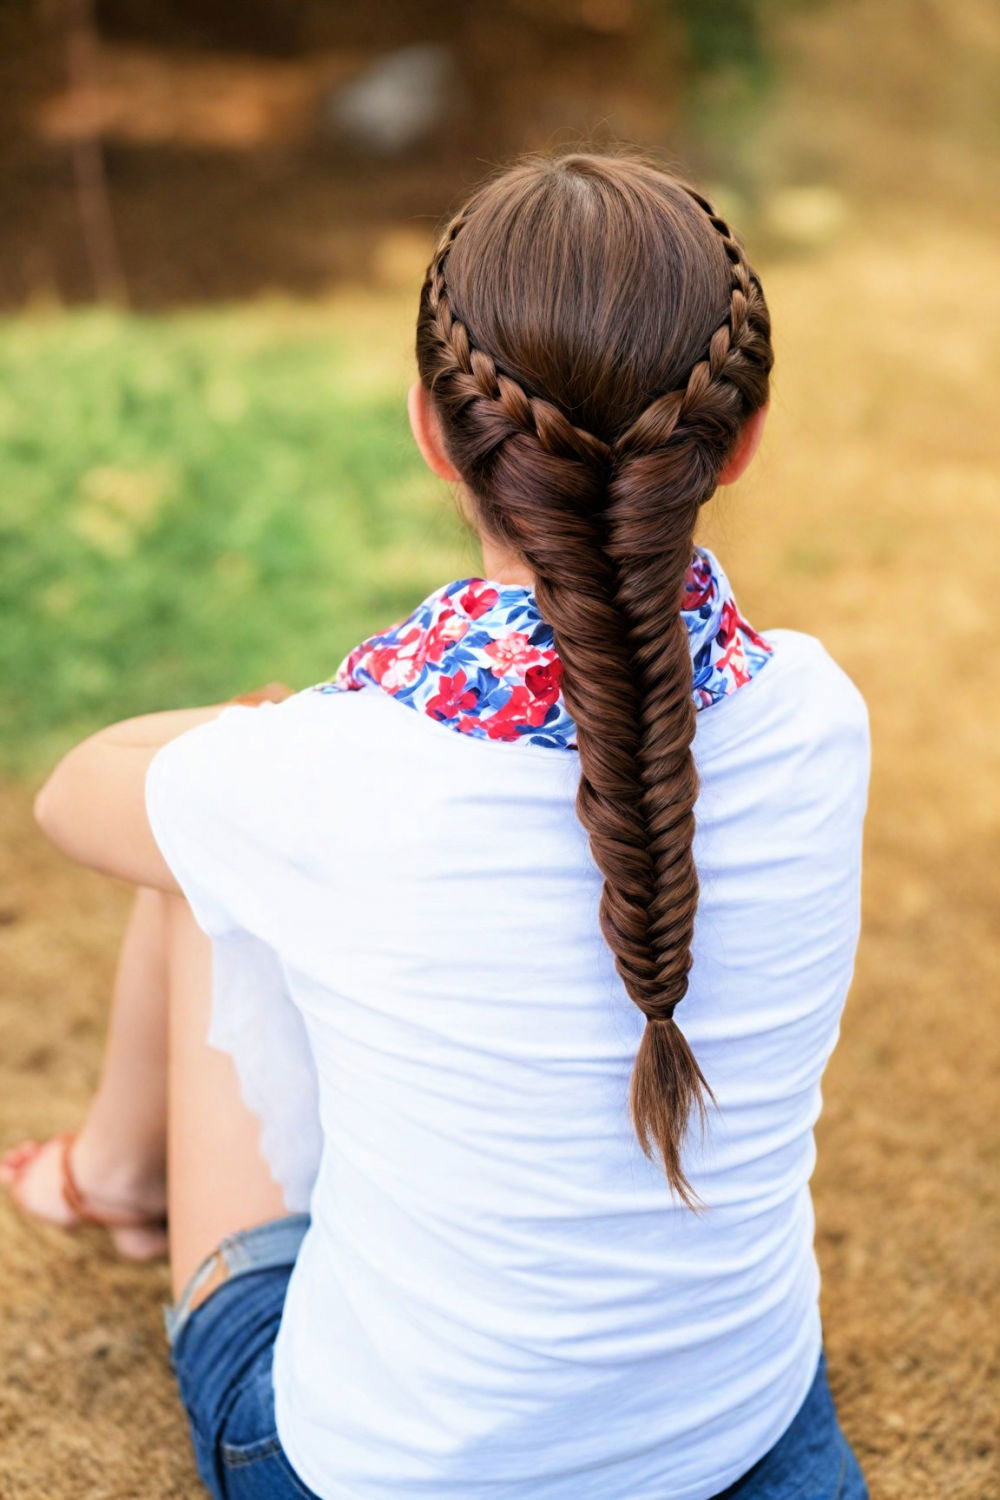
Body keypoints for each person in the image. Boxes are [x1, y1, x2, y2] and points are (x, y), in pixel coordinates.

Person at [1, 151, 871, 1499]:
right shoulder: (819, 715)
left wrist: (251, 734)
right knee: (230, 824)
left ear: (428, 428)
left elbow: (75, 795)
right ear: (741, 439)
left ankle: (110, 1173)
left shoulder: (339, 773)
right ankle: (111, 1169)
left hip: (381, 1466)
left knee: (201, 846)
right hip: (744, 1442)